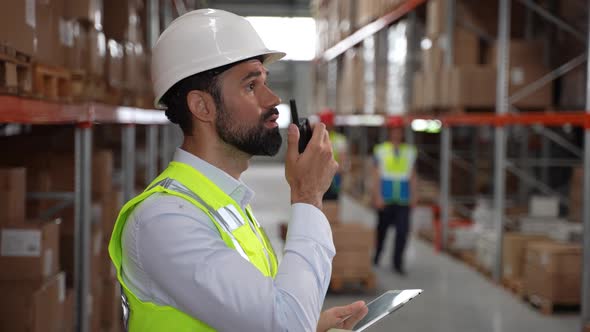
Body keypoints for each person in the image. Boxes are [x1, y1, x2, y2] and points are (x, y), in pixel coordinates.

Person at [107, 9, 367, 332]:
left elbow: (261, 315)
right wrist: (308, 195)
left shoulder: (228, 204)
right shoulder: (163, 220)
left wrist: (310, 325)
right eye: (250, 86)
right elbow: (285, 326)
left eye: (266, 82)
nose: (272, 99)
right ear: (202, 107)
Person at [371, 115, 417, 275]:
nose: (396, 134)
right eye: (394, 130)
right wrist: (377, 196)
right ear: (390, 132)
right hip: (385, 197)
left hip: (403, 199)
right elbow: (376, 175)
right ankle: (376, 257)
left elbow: (412, 175)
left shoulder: (410, 152)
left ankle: (398, 263)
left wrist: (413, 196)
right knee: (381, 231)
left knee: (403, 232)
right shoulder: (381, 150)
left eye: (399, 131)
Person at [318, 108, 348, 201]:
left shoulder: (339, 140)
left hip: (334, 178)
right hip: (318, 177)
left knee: (332, 204)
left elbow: (342, 163)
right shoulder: (316, 139)